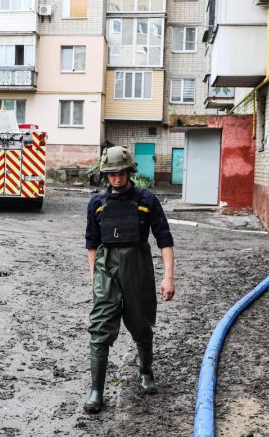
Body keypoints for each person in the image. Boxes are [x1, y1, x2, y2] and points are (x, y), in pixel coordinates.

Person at [83, 146, 175, 414]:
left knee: (141, 323)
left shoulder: (147, 199)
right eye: (111, 174)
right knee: (99, 329)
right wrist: (94, 276)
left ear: (129, 171)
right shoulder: (97, 203)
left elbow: (164, 239)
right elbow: (92, 242)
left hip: (138, 269)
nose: (116, 179)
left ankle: (146, 371)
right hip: (106, 270)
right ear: (105, 174)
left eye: (121, 173)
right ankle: (96, 390)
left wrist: (168, 277)